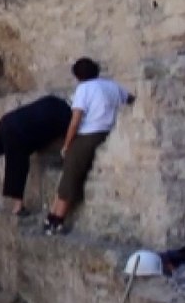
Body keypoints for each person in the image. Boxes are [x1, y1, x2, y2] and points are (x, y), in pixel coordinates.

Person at [44, 57, 136, 235]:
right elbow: (130, 99)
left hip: (89, 134)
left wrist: (67, 143)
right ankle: (51, 214)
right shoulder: (111, 85)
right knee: (67, 172)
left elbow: (76, 119)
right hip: (106, 130)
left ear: (78, 76)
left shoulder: (84, 89)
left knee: (70, 173)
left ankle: (57, 220)